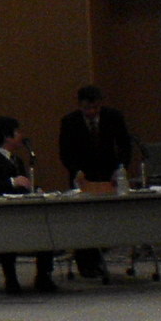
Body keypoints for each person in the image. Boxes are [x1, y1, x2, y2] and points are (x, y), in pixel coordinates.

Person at [0, 116, 56, 293]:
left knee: (46, 229)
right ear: (7, 136)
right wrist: (11, 182)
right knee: (8, 234)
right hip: (0, 217)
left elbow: (23, 185)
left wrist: (34, 190)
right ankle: (11, 279)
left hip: (23, 212)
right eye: (17, 132)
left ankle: (43, 276)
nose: (21, 135)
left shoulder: (17, 160)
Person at [58, 85, 131, 277]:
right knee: (84, 221)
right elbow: (65, 152)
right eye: (87, 108)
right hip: (82, 176)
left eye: (95, 108)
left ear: (100, 104)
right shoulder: (70, 121)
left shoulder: (113, 117)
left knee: (105, 220)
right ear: (80, 105)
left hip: (108, 175)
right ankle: (85, 264)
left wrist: (120, 169)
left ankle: (98, 259)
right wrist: (76, 171)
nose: (91, 112)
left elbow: (125, 145)